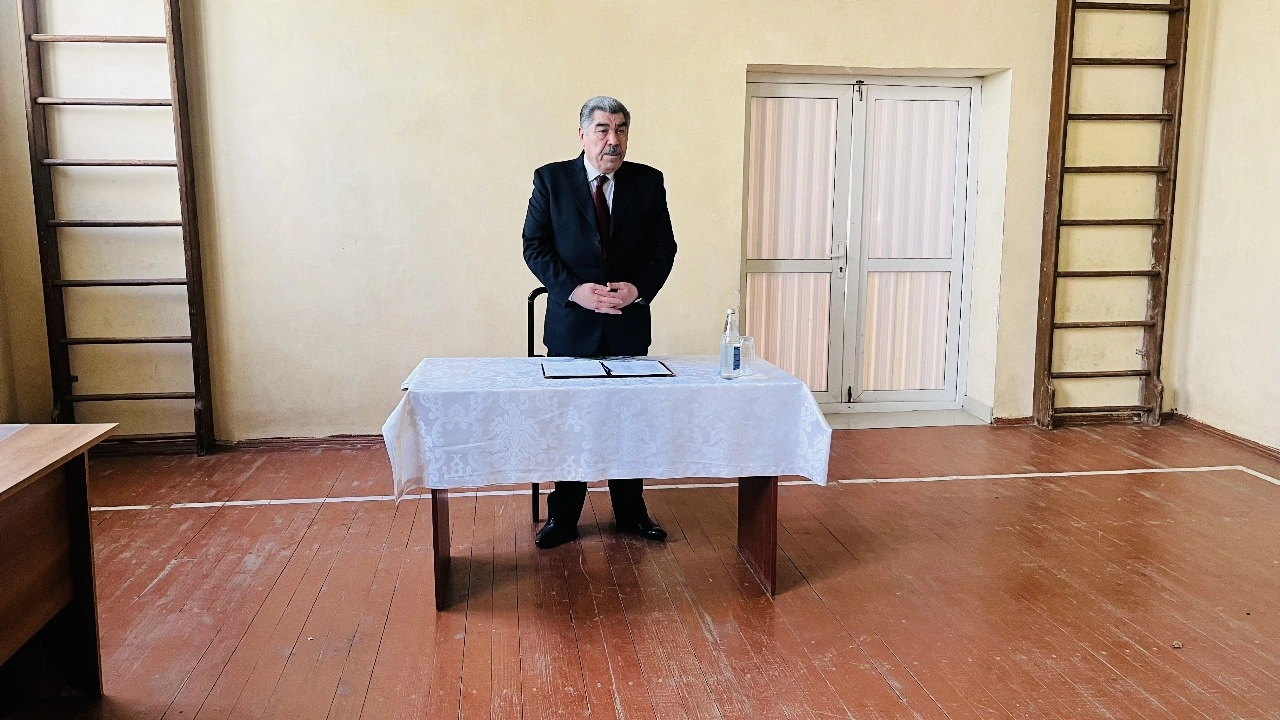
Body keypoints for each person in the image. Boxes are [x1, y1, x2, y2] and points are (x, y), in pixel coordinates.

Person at [521, 96, 677, 549]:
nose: (614, 140)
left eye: (621, 130)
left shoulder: (648, 182)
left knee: (629, 422)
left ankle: (631, 512)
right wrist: (574, 290)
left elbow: (663, 248)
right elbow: (534, 245)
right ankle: (564, 516)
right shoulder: (551, 180)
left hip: (627, 323)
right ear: (583, 134)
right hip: (572, 325)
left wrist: (637, 289)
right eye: (604, 129)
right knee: (572, 422)